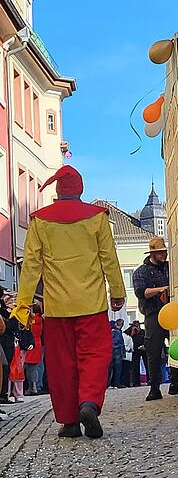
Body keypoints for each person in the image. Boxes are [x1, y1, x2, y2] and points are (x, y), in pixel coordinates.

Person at [9, 165, 126, 438]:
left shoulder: (40, 221)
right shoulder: (97, 218)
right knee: (94, 357)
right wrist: (117, 292)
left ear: (58, 191)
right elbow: (109, 258)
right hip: (92, 304)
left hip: (57, 307)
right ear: (80, 189)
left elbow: (31, 267)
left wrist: (23, 305)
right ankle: (89, 403)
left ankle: (70, 421)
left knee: (62, 364)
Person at [133, 237, 178, 401]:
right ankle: (154, 388)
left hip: (173, 312)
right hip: (153, 314)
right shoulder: (141, 271)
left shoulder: (169, 267)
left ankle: (176, 383)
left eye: (164, 252)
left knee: (176, 348)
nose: (163, 255)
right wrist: (161, 290)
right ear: (153, 253)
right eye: (160, 252)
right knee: (153, 351)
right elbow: (140, 292)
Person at [0, 287, 16, 405]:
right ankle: (3, 395)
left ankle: (3, 394)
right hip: (4, 340)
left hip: (6, 340)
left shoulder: (5, 311)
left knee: (6, 367)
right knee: (4, 366)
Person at [24, 306, 44, 395]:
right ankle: (37, 385)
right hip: (38, 342)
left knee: (29, 367)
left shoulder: (31, 320)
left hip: (30, 343)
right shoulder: (40, 319)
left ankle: (31, 387)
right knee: (36, 366)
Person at [127, 321, 146, 386]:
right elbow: (127, 337)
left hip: (143, 350)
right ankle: (136, 382)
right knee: (135, 366)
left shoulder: (143, 332)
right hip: (135, 351)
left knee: (147, 365)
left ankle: (150, 379)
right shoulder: (131, 332)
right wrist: (132, 333)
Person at [109, 321, 125, 389]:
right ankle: (116, 383)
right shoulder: (118, 332)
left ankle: (109, 383)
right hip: (117, 350)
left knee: (110, 369)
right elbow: (120, 342)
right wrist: (123, 352)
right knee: (118, 368)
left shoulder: (109, 332)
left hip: (110, 350)